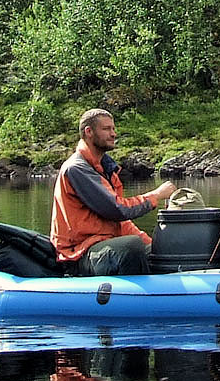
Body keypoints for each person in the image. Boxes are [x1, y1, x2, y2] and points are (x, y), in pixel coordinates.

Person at [51, 108, 176, 276]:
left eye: (113, 129)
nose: (113, 134)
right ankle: (138, 298)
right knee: (130, 246)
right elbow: (118, 209)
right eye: (107, 129)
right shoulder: (77, 169)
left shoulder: (105, 168)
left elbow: (120, 223)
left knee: (160, 250)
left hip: (104, 243)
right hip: (79, 254)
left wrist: (151, 245)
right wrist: (156, 196)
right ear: (89, 132)